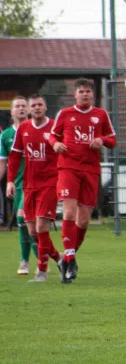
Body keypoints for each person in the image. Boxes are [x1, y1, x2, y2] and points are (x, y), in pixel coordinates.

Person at [49, 78, 117, 283]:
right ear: (75, 94)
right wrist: (55, 145)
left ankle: (68, 257)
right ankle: (69, 258)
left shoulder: (101, 115)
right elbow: (52, 136)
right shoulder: (65, 114)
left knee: (85, 219)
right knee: (69, 212)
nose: (85, 94)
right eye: (81, 91)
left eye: (88, 91)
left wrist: (101, 140)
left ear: (92, 94)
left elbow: (112, 140)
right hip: (68, 167)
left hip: (90, 170)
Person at [7, 94, 62, 282]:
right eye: (34, 105)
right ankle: (60, 258)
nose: (37, 108)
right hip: (29, 185)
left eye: (40, 104)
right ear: (30, 110)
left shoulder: (55, 127)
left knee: (41, 227)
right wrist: (10, 181)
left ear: (46, 107)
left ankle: (42, 271)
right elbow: (14, 157)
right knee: (32, 233)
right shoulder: (23, 128)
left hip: (49, 183)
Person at [0, 96, 38, 275]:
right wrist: (7, 181)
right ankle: (29, 260)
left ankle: (42, 260)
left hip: (40, 183)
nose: (21, 109)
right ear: (12, 111)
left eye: (24, 106)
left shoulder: (37, 129)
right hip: (20, 185)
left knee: (32, 222)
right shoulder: (6, 135)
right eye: (18, 106)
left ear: (28, 110)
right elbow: (3, 163)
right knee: (23, 222)